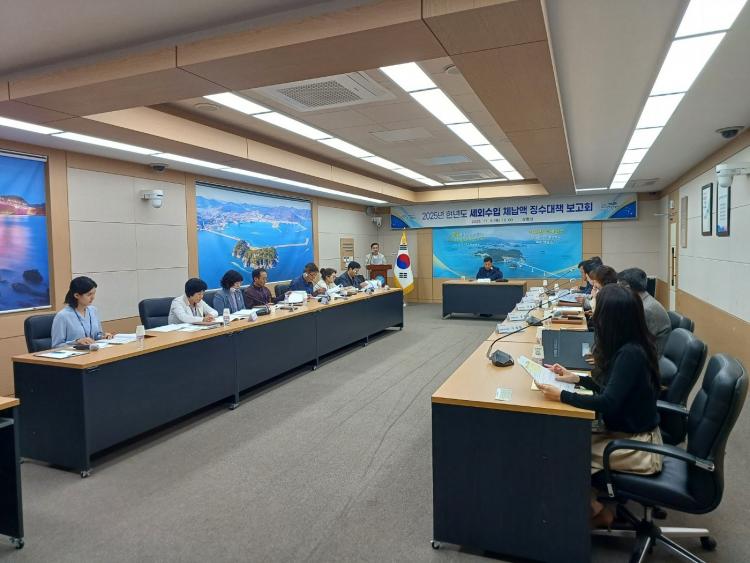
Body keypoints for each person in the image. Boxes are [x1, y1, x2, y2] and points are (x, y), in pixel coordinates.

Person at [537, 284, 662, 527]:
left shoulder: (630, 354)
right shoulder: (630, 346)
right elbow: (611, 388)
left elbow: (608, 402)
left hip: (640, 446)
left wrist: (562, 395)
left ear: (611, 319)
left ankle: (597, 511)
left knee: (563, 451)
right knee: (565, 440)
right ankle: (592, 502)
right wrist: (576, 379)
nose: (594, 316)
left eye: (598, 311)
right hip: (626, 432)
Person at [616, 268, 671, 357]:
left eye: (618, 289)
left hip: (652, 359)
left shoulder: (647, 309)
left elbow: (633, 340)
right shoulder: (642, 302)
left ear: (627, 288)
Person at [51, 276, 113, 348]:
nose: (93, 297)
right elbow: (56, 346)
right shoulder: (62, 316)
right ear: (77, 295)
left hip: (94, 351)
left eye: (94, 293)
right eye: (89, 294)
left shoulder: (93, 310)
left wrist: (103, 336)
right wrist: (76, 342)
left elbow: (97, 335)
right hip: (75, 354)